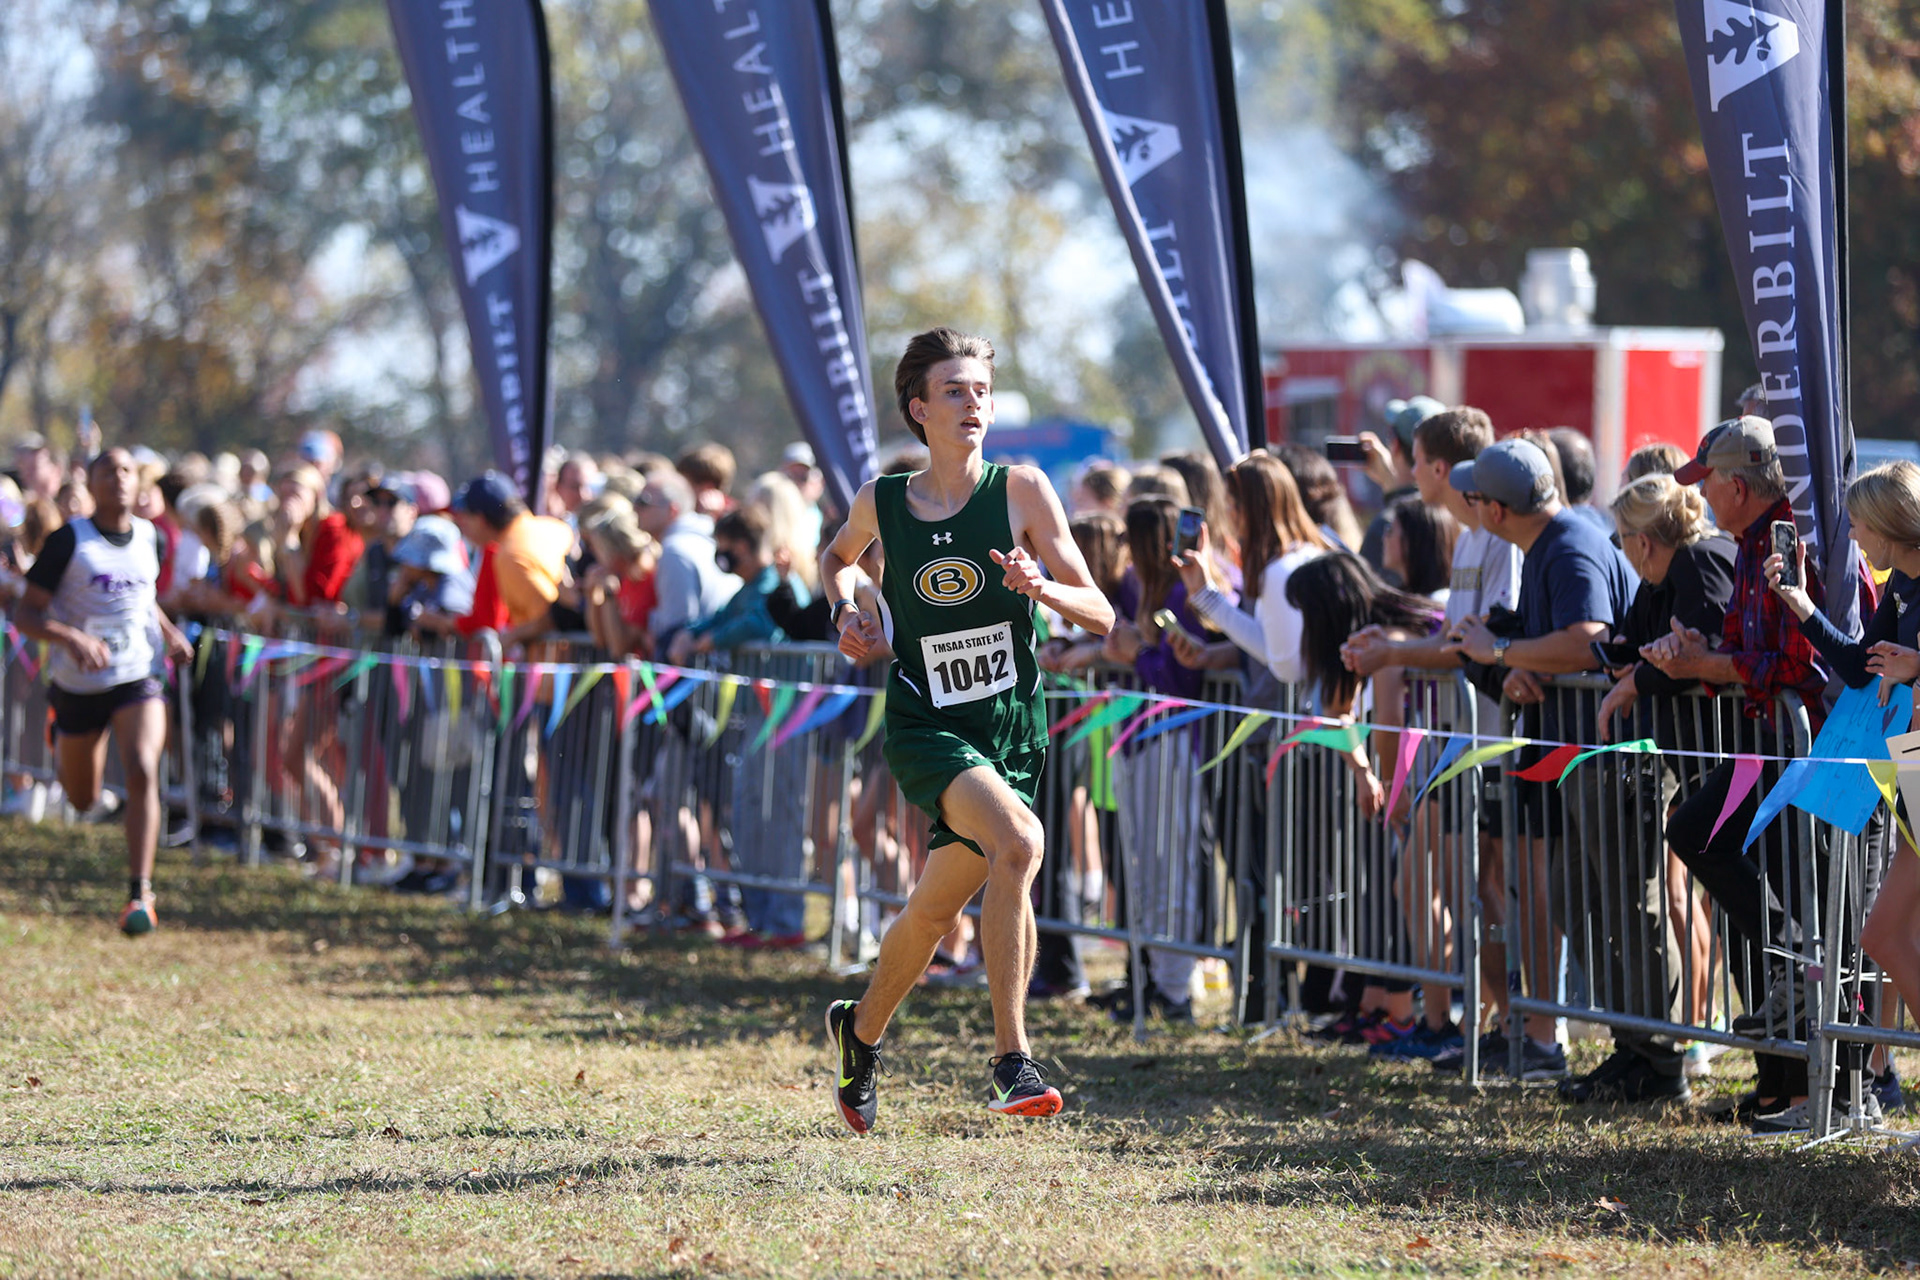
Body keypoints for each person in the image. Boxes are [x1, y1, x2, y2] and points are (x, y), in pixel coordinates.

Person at [819, 327, 1113, 1132]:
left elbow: (1103, 609)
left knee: (933, 907)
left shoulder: (1022, 492)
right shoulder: (884, 500)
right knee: (1019, 842)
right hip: (927, 722)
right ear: (920, 409)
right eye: (954, 390)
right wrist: (851, 608)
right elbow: (838, 558)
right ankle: (1013, 1061)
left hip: (1013, 728)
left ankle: (860, 1031)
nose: (972, 403)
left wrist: (1042, 587)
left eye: (980, 390)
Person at [1637, 417, 1841, 1130]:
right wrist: (1698, 646)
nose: (1701, 501)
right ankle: (1784, 1080)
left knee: (1701, 834)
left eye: (1708, 484)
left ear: (1737, 482)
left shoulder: (1787, 539)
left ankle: (1813, 1077)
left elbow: (1795, 665)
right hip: (1767, 740)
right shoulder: (1753, 542)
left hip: (1798, 748)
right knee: (1706, 839)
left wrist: (1706, 665)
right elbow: (1747, 643)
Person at [1443, 437, 1636, 1081]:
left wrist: (1501, 654)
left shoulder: (1569, 544)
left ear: (1495, 512)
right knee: (1557, 894)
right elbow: (1542, 645)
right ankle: (1544, 1033)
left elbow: (1589, 642)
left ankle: (1636, 1050)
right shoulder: (1548, 542)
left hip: (1596, 754)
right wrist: (1512, 657)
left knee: (1610, 902)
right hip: (1566, 750)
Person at [1342, 407, 1520, 1065]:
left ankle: (1514, 1024)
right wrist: (1398, 648)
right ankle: (1457, 1020)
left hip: (1491, 738)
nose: (1406, 472)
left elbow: (1486, 646)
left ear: (1442, 468)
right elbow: (1453, 640)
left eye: (1413, 460)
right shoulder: (1471, 535)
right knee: (1431, 884)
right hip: (1455, 741)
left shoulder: (1500, 535)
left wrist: (1395, 655)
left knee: (1484, 889)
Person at [1557, 473, 1737, 1105]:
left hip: (1715, 763)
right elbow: (1632, 647)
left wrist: (1642, 677)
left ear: (1639, 540)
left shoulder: (1702, 561)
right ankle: (1633, 1046)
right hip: (1670, 760)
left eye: (1622, 538)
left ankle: (1660, 1058)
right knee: (1582, 896)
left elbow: (1704, 657)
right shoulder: (1662, 579)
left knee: (1644, 905)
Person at [1764, 460, 1920, 1120]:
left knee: (1883, 936)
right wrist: (1799, 602)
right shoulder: (1904, 582)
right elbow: (1861, 666)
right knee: (1884, 936)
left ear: (1889, 524)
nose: (1853, 536)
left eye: (1858, 524)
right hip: (1910, 763)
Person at [14, 447, 193, 934]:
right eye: (106, 470)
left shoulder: (150, 536)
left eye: (126, 470)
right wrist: (72, 638)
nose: (117, 477)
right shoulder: (68, 541)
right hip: (78, 685)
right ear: (89, 485)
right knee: (82, 797)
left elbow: (143, 596)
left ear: (139, 484)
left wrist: (169, 632)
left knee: (142, 767)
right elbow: (25, 614)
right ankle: (65, 748)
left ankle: (140, 892)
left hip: (137, 674)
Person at [1356, 395, 1445, 587]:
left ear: (1395, 446)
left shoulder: (1389, 525)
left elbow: (1363, 594)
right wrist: (1391, 487)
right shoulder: (1455, 514)